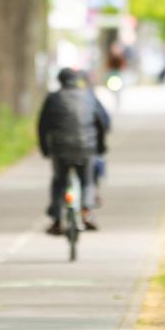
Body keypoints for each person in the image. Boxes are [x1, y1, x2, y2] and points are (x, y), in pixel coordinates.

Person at [38, 68, 110, 235]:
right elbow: (101, 123)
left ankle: (57, 220)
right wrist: (100, 147)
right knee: (87, 181)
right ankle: (86, 212)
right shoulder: (89, 96)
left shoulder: (53, 98)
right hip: (86, 147)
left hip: (59, 148)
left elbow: (42, 126)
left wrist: (45, 148)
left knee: (59, 181)